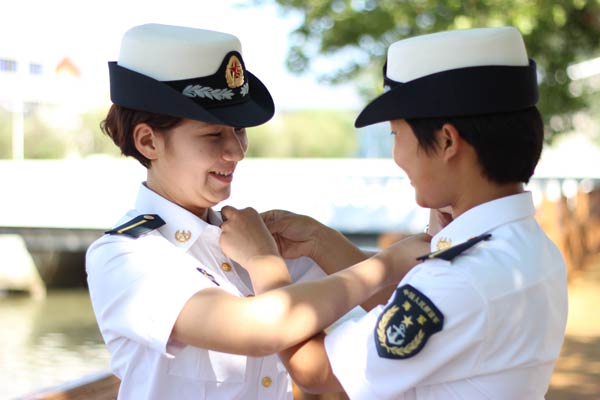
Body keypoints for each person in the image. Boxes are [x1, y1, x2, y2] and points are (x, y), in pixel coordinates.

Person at [219, 26, 569, 399]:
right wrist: (320, 241)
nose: (397, 156)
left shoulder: (462, 277)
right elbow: (406, 314)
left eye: (395, 135)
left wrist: (263, 262)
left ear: (447, 141)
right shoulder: (527, 246)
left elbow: (316, 370)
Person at [86, 23, 430, 400]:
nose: (236, 151)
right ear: (149, 141)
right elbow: (261, 330)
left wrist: (319, 241)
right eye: (213, 135)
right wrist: (386, 262)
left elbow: (401, 305)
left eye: (239, 131)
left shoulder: (246, 237)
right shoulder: (126, 257)